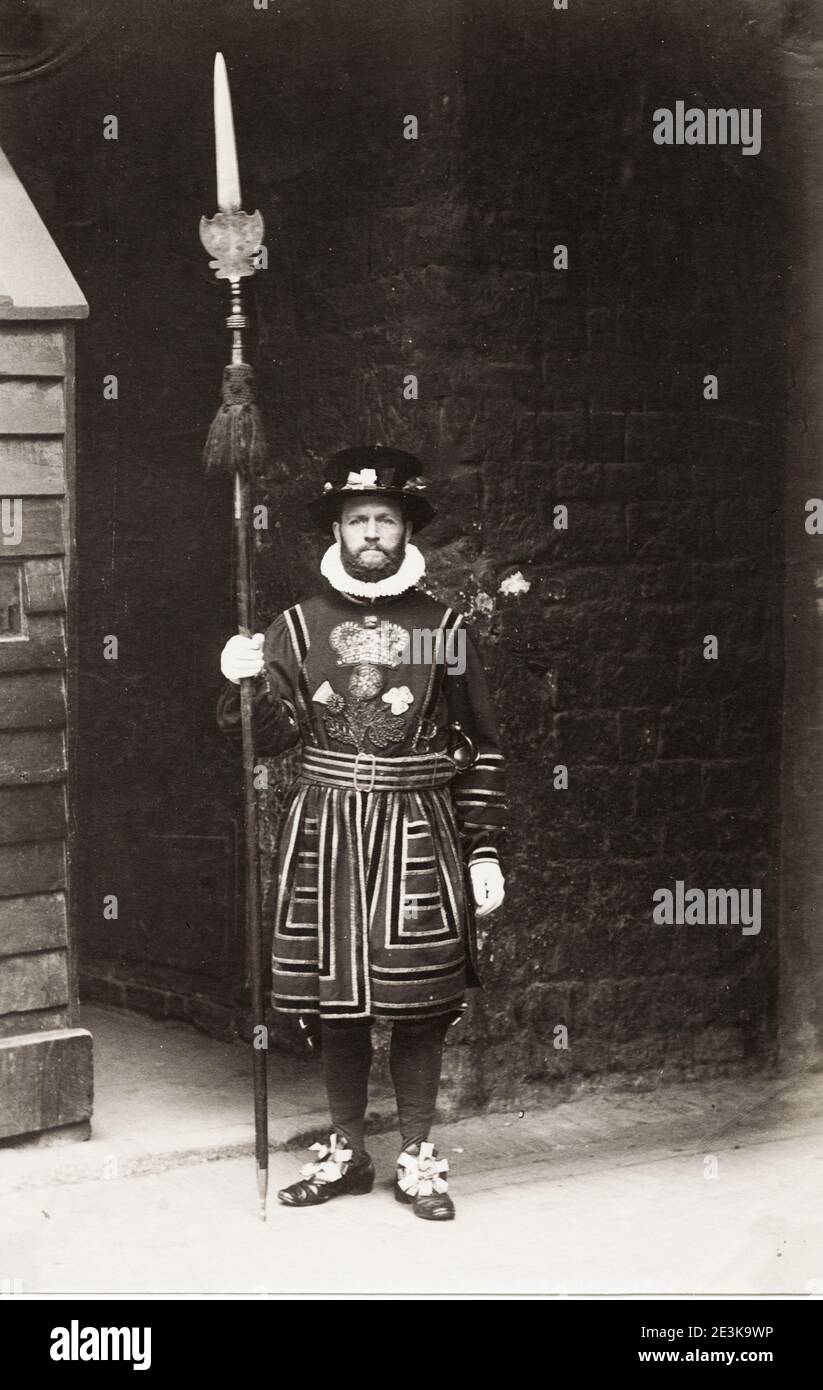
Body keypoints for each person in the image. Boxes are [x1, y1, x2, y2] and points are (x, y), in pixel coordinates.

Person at [216, 445, 507, 1221]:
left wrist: (482, 846)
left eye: (385, 518)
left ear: (407, 530)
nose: (371, 532)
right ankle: (347, 1150)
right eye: (357, 520)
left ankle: (417, 1156)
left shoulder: (443, 627)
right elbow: (267, 738)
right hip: (326, 827)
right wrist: (241, 680)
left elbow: (480, 744)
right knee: (335, 1000)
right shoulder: (295, 626)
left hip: (419, 827)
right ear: (337, 531)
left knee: (418, 1000)